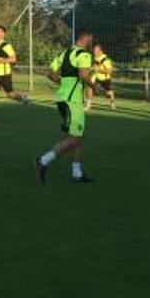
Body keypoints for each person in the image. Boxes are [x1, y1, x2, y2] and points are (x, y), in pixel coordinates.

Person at [34, 29, 97, 184]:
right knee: (74, 139)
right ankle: (42, 161)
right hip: (72, 101)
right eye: (91, 40)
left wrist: (62, 82)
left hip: (63, 98)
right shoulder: (84, 55)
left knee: (78, 137)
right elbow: (83, 75)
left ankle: (77, 173)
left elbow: (49, 73)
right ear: (86, 38)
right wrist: (94, 86)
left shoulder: (64, 53)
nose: (91, 43)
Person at [86, 43, 115, 111]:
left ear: (101, 51)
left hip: (105, 78)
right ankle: (88, 105)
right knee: (90, 87)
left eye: (96, 51)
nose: (94, 52)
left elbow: (110, 71)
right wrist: (91, 69)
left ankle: (112, 101)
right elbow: (93, 67)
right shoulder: (94, 58)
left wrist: (99, 70)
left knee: (108, 93)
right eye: (94, 51)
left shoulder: (105, 60)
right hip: (96, 76)